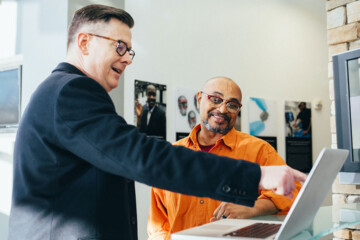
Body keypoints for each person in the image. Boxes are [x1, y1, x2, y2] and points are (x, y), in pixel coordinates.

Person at [8, 5, 306, 240]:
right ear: (84, 43)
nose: (127, 59)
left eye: (130, 50)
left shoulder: (61, 91)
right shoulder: (71, 91)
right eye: (120, 46)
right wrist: (255, 177)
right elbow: (143, 157)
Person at [147, 77, 303, 240]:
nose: (222, 110)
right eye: (216, 99)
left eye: (232, 105)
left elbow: (292, 192)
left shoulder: (259, 150)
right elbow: (159, 226)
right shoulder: (171, 156)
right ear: (199, 99)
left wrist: (252, 208)